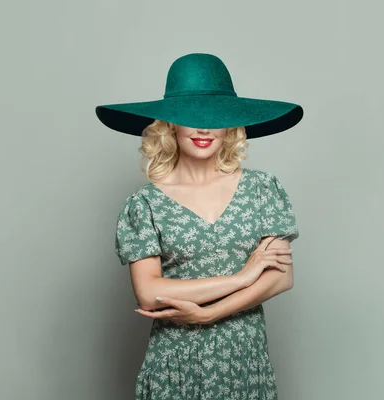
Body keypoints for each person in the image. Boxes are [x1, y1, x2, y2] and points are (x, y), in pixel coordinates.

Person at [95, 53, 304, 399]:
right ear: (170, 125)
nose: (204, 128)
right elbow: (149, 292)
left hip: (244, 360)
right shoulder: (145, 204)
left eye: (215, 117)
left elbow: (282, 277)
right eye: (191, 117)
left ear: (231, 125)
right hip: (176, 364)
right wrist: (242, 277)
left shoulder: (262, 190)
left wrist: (208, 315)